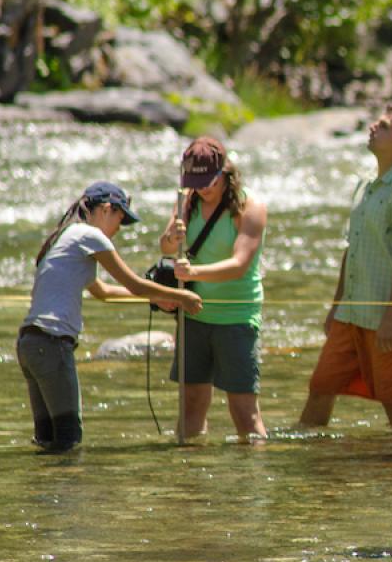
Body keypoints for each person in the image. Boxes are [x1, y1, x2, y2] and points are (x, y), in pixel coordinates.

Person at [19, 182, 202, 453]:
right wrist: (181, 296)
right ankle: (64, 481)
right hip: (52, 343)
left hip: (30, 344)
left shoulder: (67, 236)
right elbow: (134, 284)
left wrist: (153, 298)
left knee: (48, 439)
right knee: (69, 438)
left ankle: (45, 479)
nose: (119, 229)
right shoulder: (90, 236)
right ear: (106, 209)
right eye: (120, 218)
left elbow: (102, 291)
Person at [298, 102, 392, 435]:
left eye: (384, 126)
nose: (373, 127)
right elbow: (352, 249)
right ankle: (310, 456)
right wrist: (336, 306)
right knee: (321, 387)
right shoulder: (365, 184)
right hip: (352, 312)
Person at [160, 137, 269, 441]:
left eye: (208, 181)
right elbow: (165, 247)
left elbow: (239, 264)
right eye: (195, 182)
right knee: (190, 407)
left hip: (236, 317)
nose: (202, 189)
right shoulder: (187, 199)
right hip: (193, 315)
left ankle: (255, 466)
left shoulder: (250, 207)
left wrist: (193, 272)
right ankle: (192, 468)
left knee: (244, 412)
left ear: (224, 172)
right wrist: (171, 237)